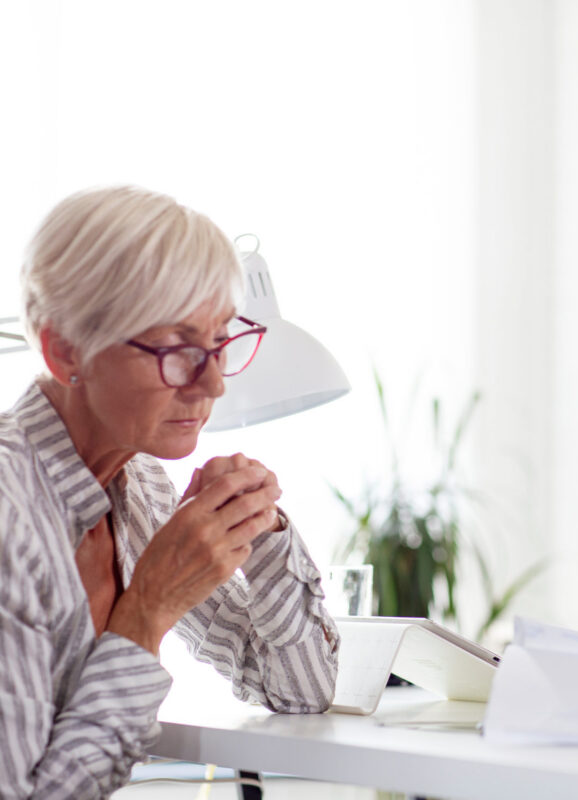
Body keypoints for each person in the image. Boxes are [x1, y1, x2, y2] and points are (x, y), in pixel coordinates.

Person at [0, 186, 339, 798]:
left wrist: (259, 531)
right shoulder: (8, 511)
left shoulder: (140, 488)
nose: (213, 384)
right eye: (178, 351)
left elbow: (298, 691)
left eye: (220, 343)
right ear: (64, 350)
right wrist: (148, 609)